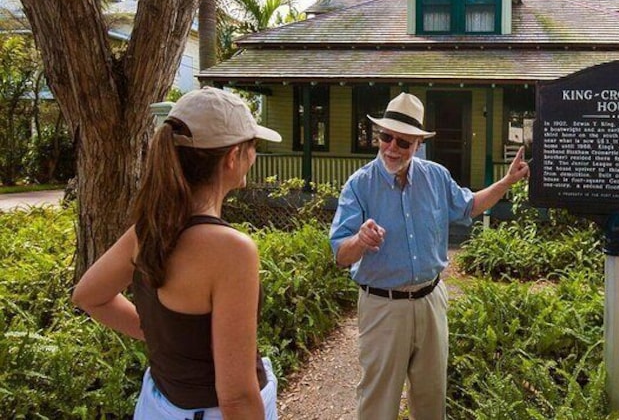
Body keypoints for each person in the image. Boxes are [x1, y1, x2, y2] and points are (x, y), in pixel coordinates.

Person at [72, 87, 282, 419]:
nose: (253, 156)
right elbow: (237, 397)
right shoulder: (231, 251)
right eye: (252, 146)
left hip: (158, 404)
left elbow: (88, 295)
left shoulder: (148, 230)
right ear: (232, 157)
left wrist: (167, 340)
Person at [329, 92, 529, 420]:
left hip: (431, 300)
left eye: (403, 142)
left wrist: (506, 182)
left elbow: (470, 206)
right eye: (386, 137)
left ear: (418, 145)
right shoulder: (359, 185)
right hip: (383, 307)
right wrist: (360, 240)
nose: (392, 147)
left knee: (431, 398)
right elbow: (340, 254)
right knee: (377, 402)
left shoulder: (436, 176)